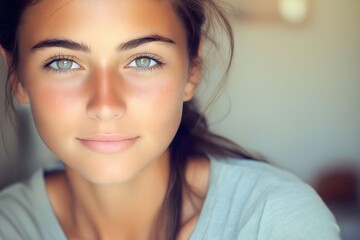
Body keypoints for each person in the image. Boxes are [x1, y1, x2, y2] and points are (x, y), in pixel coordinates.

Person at [0, 0, 340, 239]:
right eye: (63, 62)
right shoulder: (9, 226)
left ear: (192, 69)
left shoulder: (276, 221)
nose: (105, 105)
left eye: (144, 60)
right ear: (16, 76)